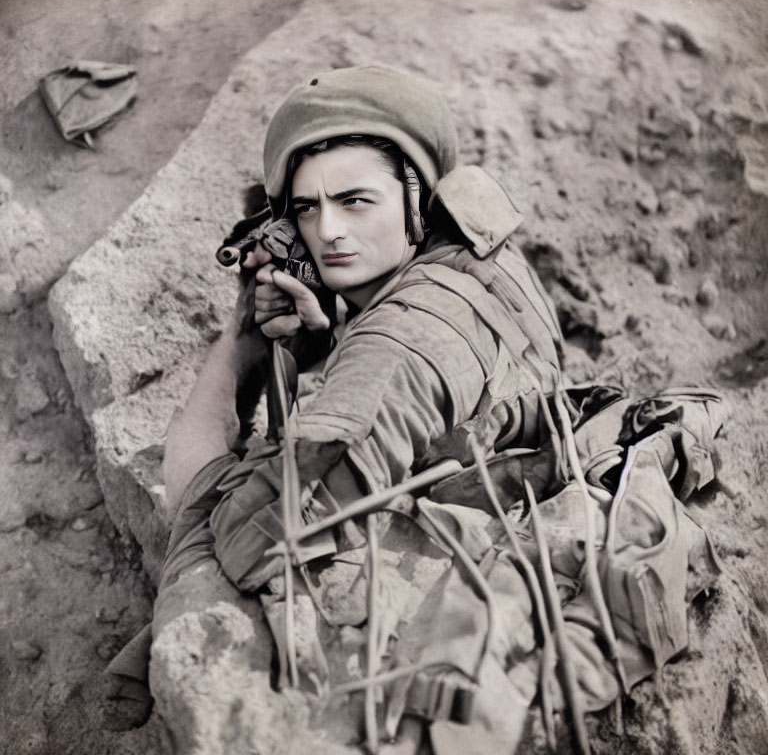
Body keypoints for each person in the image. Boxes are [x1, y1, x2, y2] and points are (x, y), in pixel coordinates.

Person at [105, 66, 723, 754]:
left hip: (451, 558)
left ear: (415, 200)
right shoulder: (475, 253)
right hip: (492, 448)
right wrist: (329, 337)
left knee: (209, 504)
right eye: (306, 209)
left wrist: (244, 338)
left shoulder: (397, 346)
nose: (330, 231)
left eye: (355, 201)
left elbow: (254, 535)